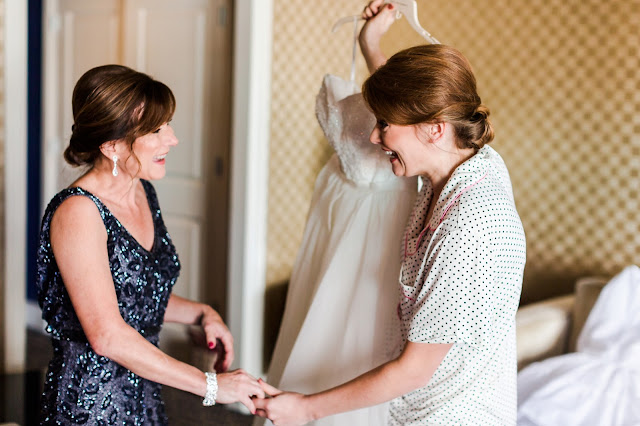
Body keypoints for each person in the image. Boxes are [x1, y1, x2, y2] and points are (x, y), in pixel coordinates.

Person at [254, 1, 527, 424]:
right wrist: (371, 42)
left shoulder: (470, 228)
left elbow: (413, 370)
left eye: (384, 124)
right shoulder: (460, 161)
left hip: (450, 416)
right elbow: (412, 109)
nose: (374, 135)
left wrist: (306, 408)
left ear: (434, 128)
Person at [36, 64, 264, 424]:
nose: (171, 139)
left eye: (167, 125)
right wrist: (212, 386)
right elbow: (108, 335)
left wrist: (203, 312)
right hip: (94, 405)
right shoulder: (78, 213)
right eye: (156, 130)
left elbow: (136, 296)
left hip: (144, 393)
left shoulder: (143, 191)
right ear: (112, 145)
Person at [256, 3, 417, 426]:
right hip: (337, 221)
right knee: (320, 322)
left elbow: (398, 104)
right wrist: (370, 42)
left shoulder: (415, 107)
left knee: (363, 337)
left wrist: (371, 42)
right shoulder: (390, 113)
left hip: (380, 223)